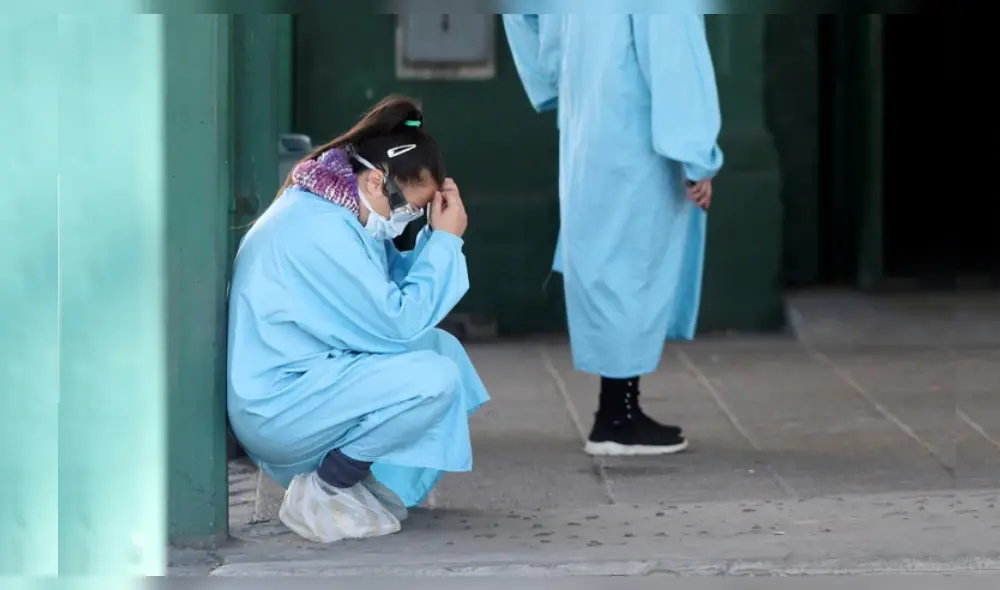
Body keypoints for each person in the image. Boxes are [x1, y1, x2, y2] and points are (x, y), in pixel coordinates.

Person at [227, 96, 490, 543]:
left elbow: (388, 294)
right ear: (375, 182)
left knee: (442, 352)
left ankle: (361, 483)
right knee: (435, 378)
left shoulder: (333, 209)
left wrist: (432, 236)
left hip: (302, 388)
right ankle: (325, 489)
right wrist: (446, 244)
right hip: (279, 408)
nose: (405, 220)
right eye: (409, 210)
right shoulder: (323, 229)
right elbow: (398, 322)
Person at [503, 15, 724, 456]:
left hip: (588, 127)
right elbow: (674, 56)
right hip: (638, 137)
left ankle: (618, 409)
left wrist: (554, 81)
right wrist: (695, 154)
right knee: (632, 267)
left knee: (607, 264)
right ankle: (617, 418)